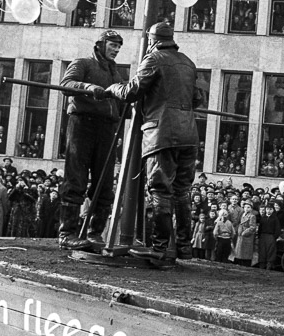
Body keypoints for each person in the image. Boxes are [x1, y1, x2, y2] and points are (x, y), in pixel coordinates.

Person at [107, 22, 204, 264]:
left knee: (160, 190)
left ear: (152, 40)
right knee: (182, 192)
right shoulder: (188, 62)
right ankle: (184, 246)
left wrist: (113, 88)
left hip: (161, 135)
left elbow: (132, 91)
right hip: (189, 134)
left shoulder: (153, 59)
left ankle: (160, 248)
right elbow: (198, 98)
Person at [57, 30, 125, 250]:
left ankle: (95, 233)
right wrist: (87, 87)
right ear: (101, 45)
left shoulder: (116, 73)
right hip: (82, 124)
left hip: (107, 127)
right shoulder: (83, 63)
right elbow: (66, 84)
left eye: (118, 47)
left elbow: (123, 100)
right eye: (112, 45)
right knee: (75, 177)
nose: (116, 50)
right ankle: (67, 233)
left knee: (104, 182)